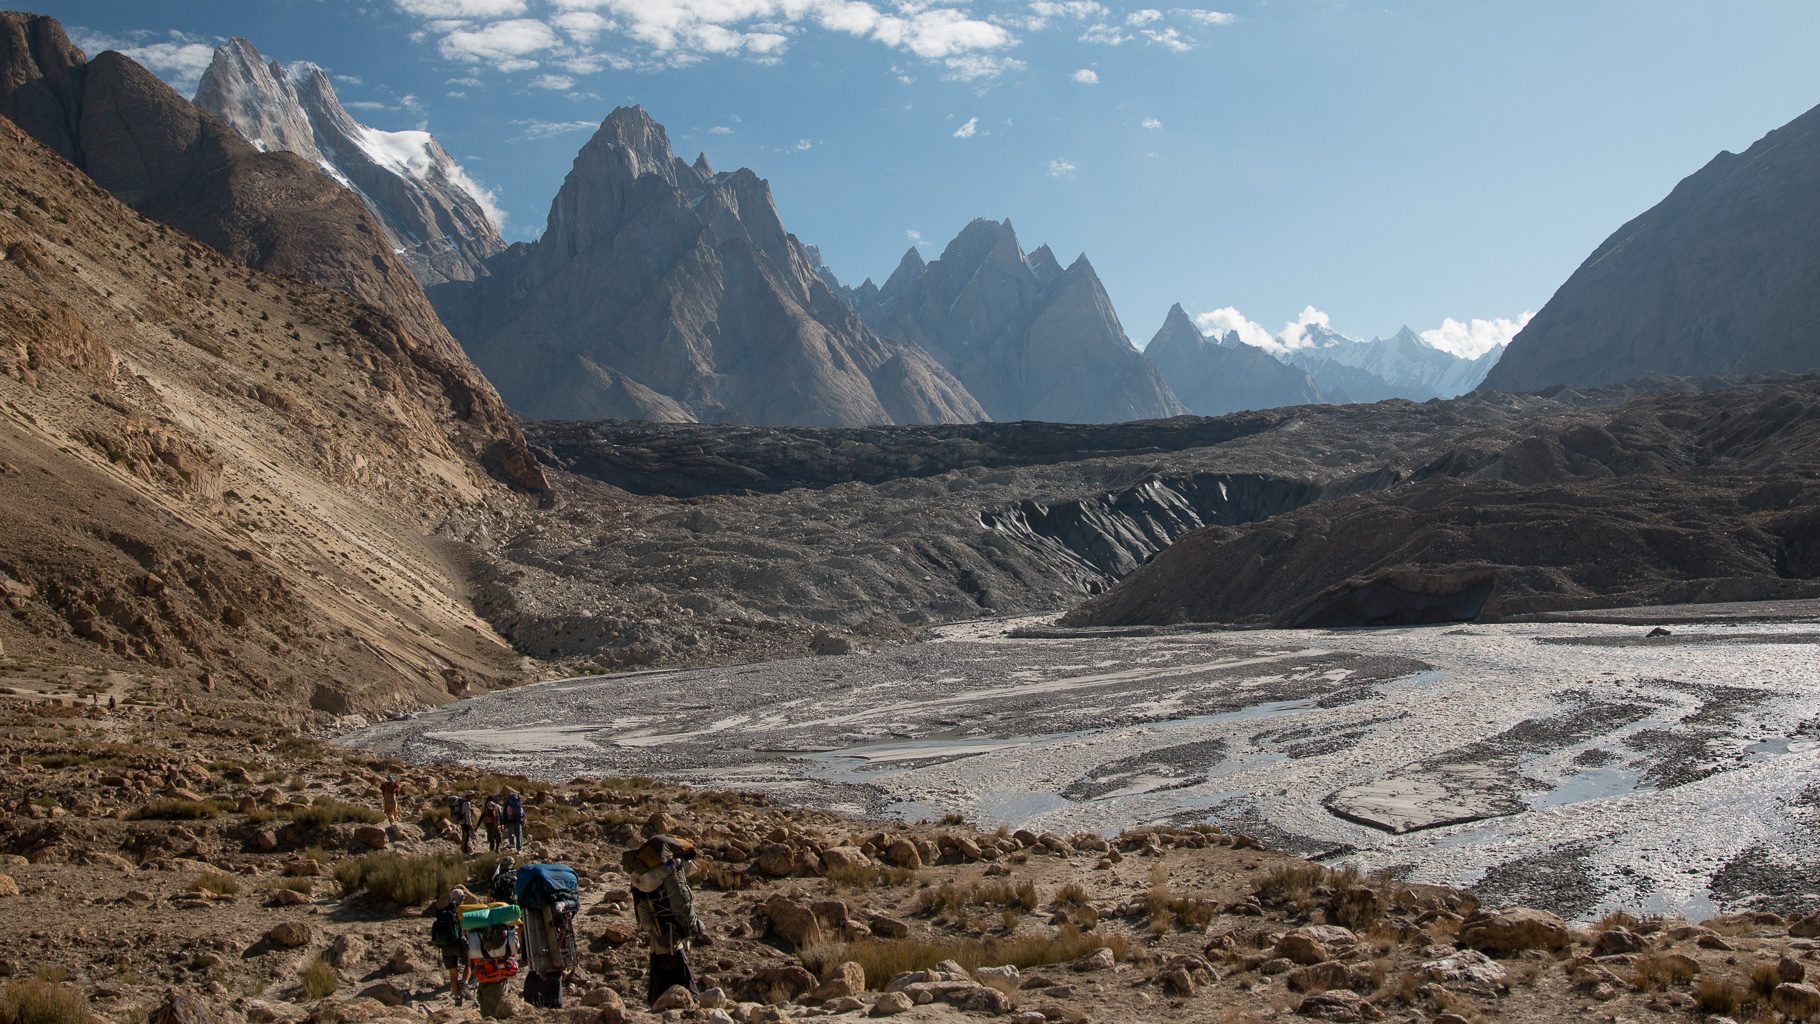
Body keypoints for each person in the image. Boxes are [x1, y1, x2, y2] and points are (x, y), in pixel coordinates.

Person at [624, 835, 708, 1005]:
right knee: (681, 964)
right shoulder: (670, 880)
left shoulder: (646, 890)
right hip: (677, 930)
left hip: (660, 937)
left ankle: (662, 1002)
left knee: (663, 969)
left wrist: (651, 932)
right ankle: (691, 998)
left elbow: (646, 922)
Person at [430, 885, 474, 1005]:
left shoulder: (443, 912)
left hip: (445, 946)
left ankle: (457, 998)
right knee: (468, 964)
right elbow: (465, 930)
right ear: (461, 899)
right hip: (458, 944)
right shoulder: (460, 912)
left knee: (453, 974)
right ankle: (464, 984)